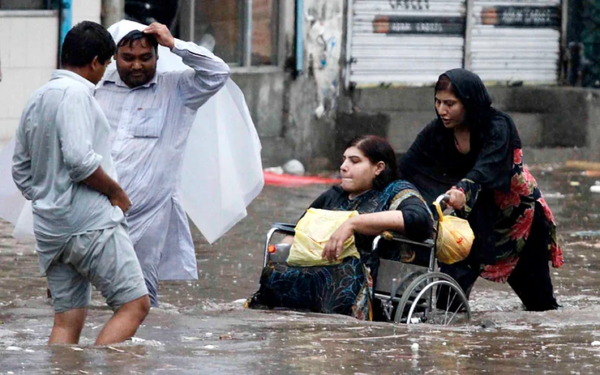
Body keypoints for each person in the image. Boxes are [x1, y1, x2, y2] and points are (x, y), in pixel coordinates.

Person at [12, 21, 150, 345]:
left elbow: (20, 170)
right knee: (134, 305)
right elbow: (79, 161)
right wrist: (117, 194)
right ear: (95, 62)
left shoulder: (37, 98)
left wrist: (51, 198)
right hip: (89, 227)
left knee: (67, 321)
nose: (104, 73)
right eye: (107, 64)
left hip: (50, 231)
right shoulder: (75, 94)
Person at [399, 68, 564, 311]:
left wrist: (461, 190)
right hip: (470, 223)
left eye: (450, 104)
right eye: (438, 102)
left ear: (469, 102)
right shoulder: (437, 132)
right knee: (448, 305)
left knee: (541, 306)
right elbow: (408, 167)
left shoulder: (498, 125)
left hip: (519, 224)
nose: (441, 110)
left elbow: (487, 168)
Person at [94, 22, 231, 307]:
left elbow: (218, 73)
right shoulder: (96, 88)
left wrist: (174, 43)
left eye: (146, 58)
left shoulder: (178, 89)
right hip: (92, 210)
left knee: (140, 300)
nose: (136, 66)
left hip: (145, 216)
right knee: (72, 295)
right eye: (128, 58)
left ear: (158, 57)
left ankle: (134, 352)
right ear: (114, 57)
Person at [248, 135, 433, 320]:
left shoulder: (395, 191)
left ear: (378, 168)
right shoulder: (334, 196)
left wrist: (353, 223)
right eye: (344, 160)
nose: (344, 166)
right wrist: (281, 255)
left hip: (362, 277)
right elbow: (299, 231)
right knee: (277, 276)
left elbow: (420, 220)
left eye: (354, 161)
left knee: (333, 280)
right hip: (320, 270)